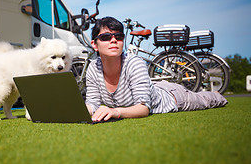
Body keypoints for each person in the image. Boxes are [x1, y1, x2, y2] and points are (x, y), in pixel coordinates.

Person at [85, 16, 228, 122]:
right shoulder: (93, 68)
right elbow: (93, 103)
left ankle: (215, 94)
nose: (114, 40)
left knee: (205, 100)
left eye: (119, 36)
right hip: (152, 88)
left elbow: (143, 108)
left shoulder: (134, 63)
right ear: (94, 44)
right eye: (105, 37)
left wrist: (115, 111)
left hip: (173, 97)